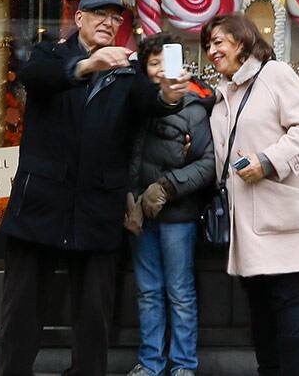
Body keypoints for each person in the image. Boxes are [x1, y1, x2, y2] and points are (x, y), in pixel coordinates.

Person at [0, 0, 191, 376]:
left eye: (115, 17)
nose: (108, 22)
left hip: (98, 206)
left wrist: (169, 96)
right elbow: (37, 78)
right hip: (41, 203)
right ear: (79, 18)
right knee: (22, 311)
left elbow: (149, 103)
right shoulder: (50, 54)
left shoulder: (128, 71)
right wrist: (86, 66)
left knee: (93, 317)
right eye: (99, 13)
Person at [200, 12, 299, 376]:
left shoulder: (274, 75)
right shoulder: (223, 94)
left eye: (218, 42)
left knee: (286, 301)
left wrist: (267, 160)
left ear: (242, 41)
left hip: (277, 211)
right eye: (208, 45)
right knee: (258, 306)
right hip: (243, 217)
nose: (211, 50)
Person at [123, 33, 216, 376]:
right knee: (147, 290)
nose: (161, 71)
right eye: (153, 63)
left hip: (178, 214)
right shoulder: (136, 107)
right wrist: (129, 197)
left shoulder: (193, 105)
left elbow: (208, 164)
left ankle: (183, 364)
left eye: (167, 62)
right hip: (140, 215)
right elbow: (127, 155)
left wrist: (166, 187)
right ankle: (150, 362)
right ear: (143, 70)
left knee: (179, 291)